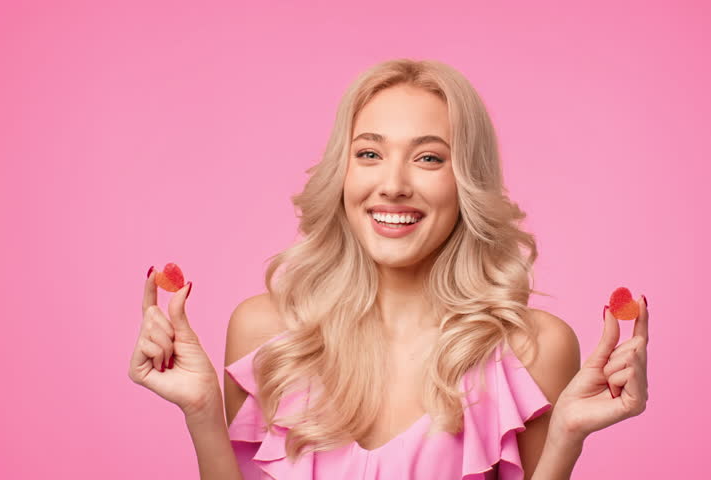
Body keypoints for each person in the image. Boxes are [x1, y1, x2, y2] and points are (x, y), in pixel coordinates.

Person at [129, 58, 650, 480]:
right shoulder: (265, 334)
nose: (394, 185)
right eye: (369, 153)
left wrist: (565, 441)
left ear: (467, 182)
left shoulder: (533, 349)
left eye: (429, 158)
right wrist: (202, 414)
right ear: (342, 172)